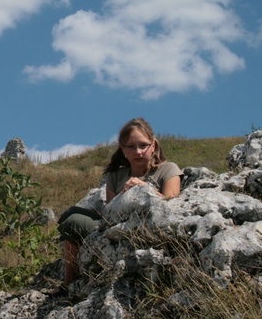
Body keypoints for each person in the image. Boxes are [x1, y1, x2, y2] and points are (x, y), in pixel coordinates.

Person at [54, 117, 183, 296]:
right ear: (123, 149)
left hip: (149, 229)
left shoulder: (168, 169)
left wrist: (144, 188)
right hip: (117, 228)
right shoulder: (115, 176)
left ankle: (70, 283)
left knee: (73, 221)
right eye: (131, 146)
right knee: (70, 216)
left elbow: (172, 205)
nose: (138, 151)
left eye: (143, 145)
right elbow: (110, 215)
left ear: (153, 146)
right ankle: (70, 281)